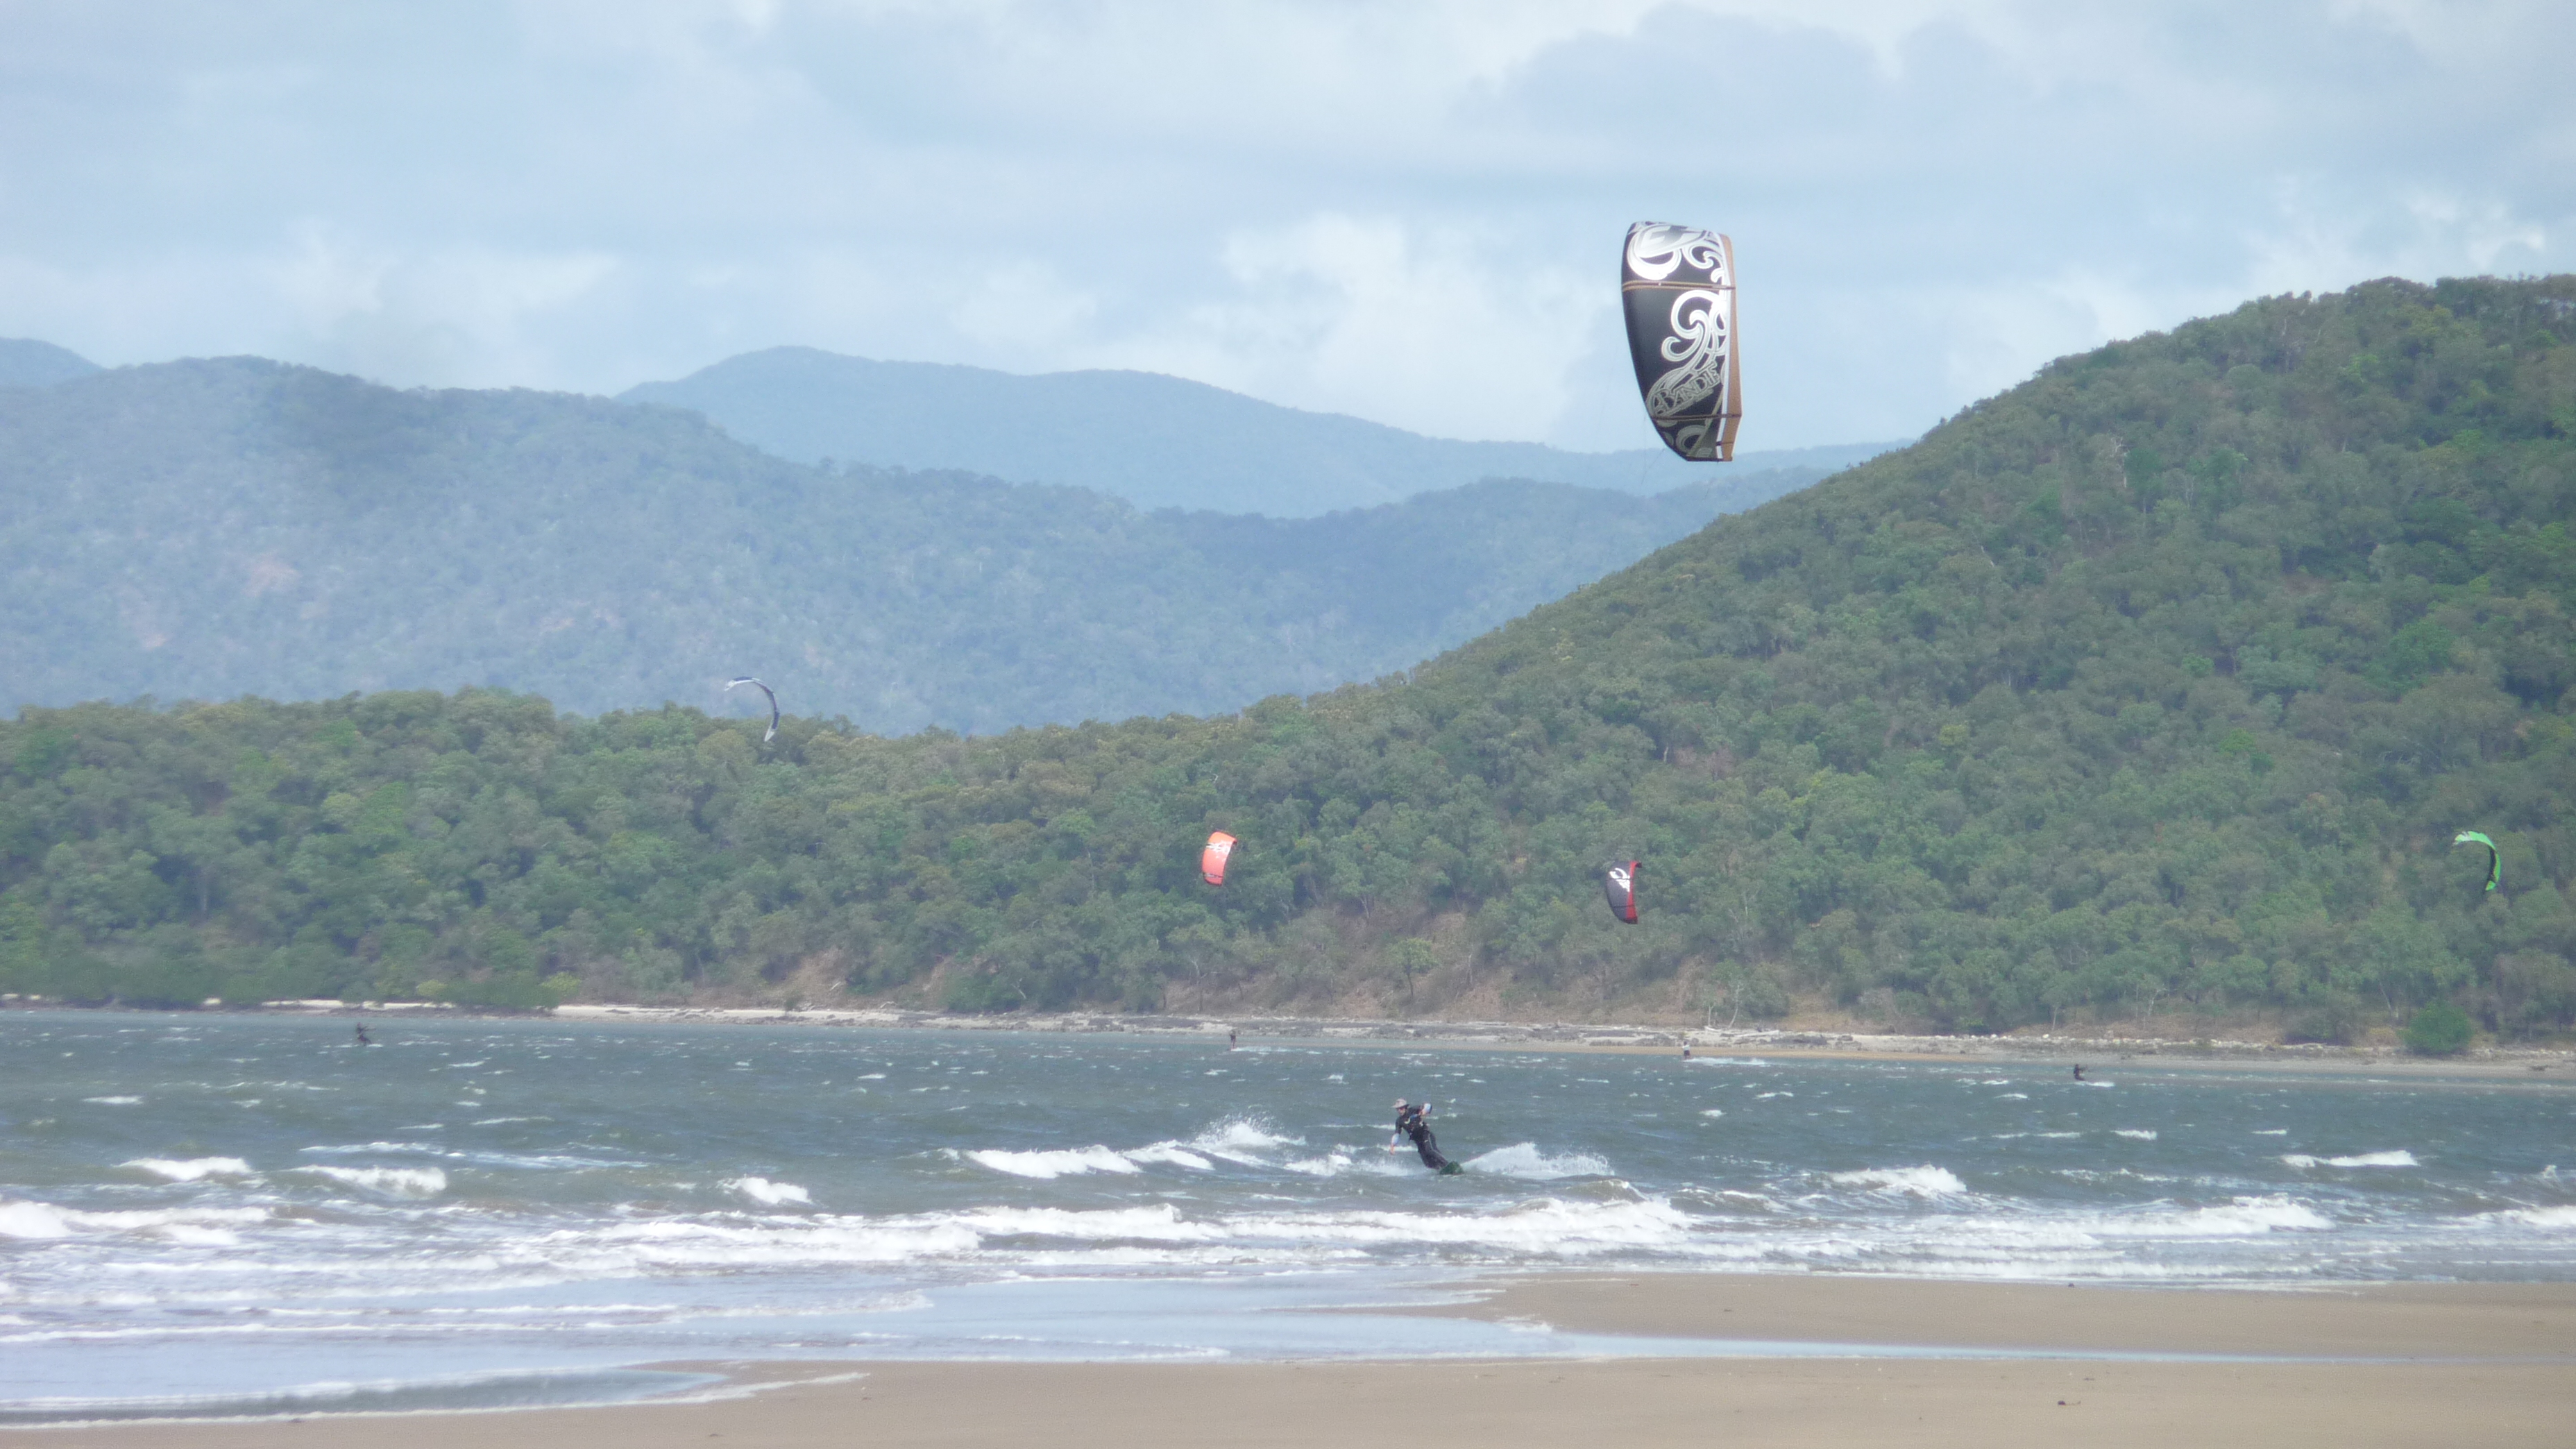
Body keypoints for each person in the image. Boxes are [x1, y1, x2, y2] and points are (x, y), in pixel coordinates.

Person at [1391, 1098, 1452, 1173]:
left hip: (1426, 1134)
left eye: (1401, 1108)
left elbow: (1428, 1106)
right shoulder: (1399, 1121)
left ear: (1405, 1107)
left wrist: (1424, 1111)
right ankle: (1440, 1169)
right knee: (1427, 1162)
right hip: (1418, 1140)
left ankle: (1447, 1165)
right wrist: (1393, 1146)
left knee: (1430, 1151)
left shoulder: (1413, 1110)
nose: (1399, 1110)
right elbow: (1397, 1134)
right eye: (1397, 1109)